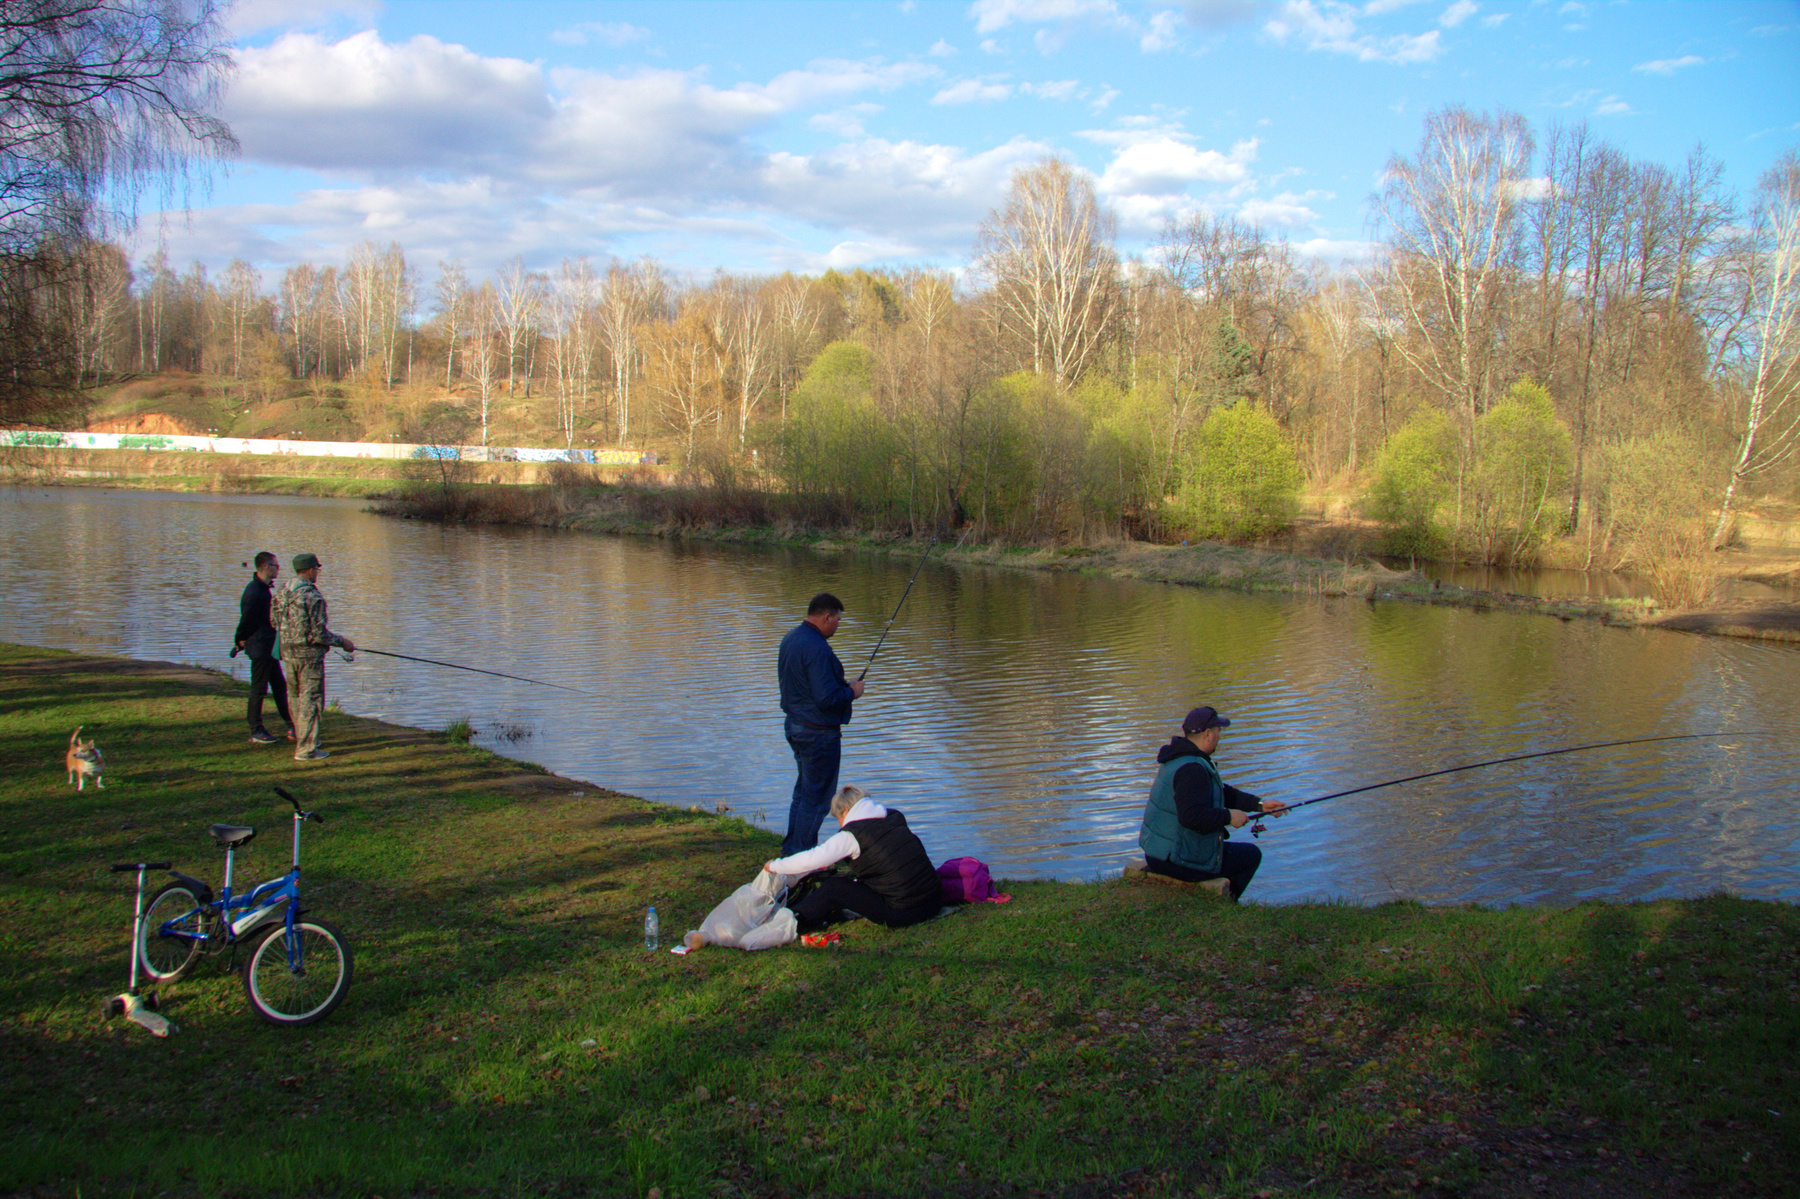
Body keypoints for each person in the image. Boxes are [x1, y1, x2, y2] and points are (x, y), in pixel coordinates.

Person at [1137, 705, 1287, 900]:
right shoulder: (1192, 769)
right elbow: (1191, 817)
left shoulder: (1179, 757)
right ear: (1208, 734)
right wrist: (1229, 817)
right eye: (1218, 731)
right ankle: (1224, 904)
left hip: (1157, 853)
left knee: (1228, 850)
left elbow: (1220, 792)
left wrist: (1259, 805)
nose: (1219, 736)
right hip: (1173, 859)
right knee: (1251, 856)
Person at [764, 785, 941, 931]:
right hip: (934, 900)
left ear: (846, 811)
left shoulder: (852, 835)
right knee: (853, 879)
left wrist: (775, 866)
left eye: (838, 818)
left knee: (835, 887)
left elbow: (812, 859)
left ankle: (791, 920)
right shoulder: (894, 817)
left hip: (904, 912)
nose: (840, 824)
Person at [777, 592, 864, 854]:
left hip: (796, 727)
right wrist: (852, 692)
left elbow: (808, 685)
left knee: (803, 795)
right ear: (826, 617)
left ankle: (791, 852)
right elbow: (826, 699)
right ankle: (801, 859)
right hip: (818, 735)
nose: (837, 626)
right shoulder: (818, 648)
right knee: (817, 801)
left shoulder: (791, 638)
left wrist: (842, 685)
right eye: (837, 620)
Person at [273, 552, 356, 762]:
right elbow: (320, 634)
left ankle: (302, 737)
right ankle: (307, 749)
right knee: (311, 700)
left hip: (287, 653)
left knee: (294, 697)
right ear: (310, 570)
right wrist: (343, 642)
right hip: (309, 658)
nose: (317, 573)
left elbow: (274, 621)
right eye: (317, 569)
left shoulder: (281, 592)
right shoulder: (313, 596)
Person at [235, 551, 295, 746]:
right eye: (276, 565)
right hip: (260, 647)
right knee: (258, 688)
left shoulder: (262, 589)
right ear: (266, 567)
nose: (278, 569)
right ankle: (256, 730)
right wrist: (239, 639)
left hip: (267, 647)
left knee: (279, 686)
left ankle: (291, 724)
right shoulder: (255, 591)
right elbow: (247, 621)